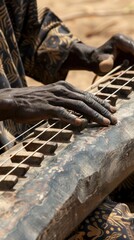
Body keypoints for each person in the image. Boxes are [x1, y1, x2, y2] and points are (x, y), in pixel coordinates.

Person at [0, 0, 134, 239]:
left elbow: (27, 27)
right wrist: (8, 102)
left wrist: (88, 54)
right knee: (112, 232)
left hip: (20, 142)